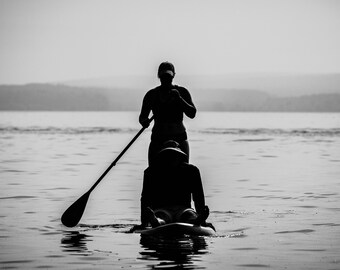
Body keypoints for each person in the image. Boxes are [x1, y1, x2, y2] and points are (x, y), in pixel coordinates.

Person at [140, 140, 210, 228]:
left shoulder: (192, 171)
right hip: (162, 209)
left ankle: (196, 220)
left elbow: (198, 197)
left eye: (174, 155)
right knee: (161, 217)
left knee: (189, 215)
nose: (170, 158)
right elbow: (145, 198)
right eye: (167, 155)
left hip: (184, 209)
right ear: (162, 157)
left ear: (180, 156)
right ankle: (156, 221)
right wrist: (144, 223)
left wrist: (203, 222)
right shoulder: (151, 172)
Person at [139, 61, 197, 165]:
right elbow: (142, 117)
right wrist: (144, 121)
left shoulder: (182, 92)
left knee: (185, 169)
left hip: (179, 138)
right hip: (158, 139)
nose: (166, 79)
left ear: (173, 76)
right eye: (163, 76)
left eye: (168, 76)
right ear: (159, 76)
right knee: (152, 171)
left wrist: (179, 99)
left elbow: (192, 113)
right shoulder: (151, 94)